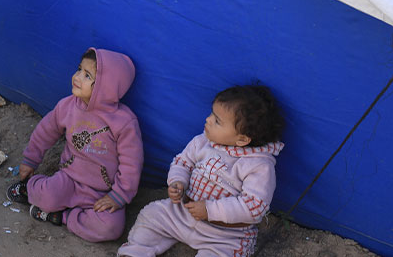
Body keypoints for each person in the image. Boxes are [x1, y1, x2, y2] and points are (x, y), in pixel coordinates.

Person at [118, 85, 285, 257]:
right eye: (212, 113)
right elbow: (183, 162)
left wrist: (210, 210)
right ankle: (135, 252)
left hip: (225, 235)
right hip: (182, 213)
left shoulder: (259, 165)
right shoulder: (202, 141)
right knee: (151, 214)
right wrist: (177, 181)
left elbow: (254, 207)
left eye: (217, 121)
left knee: (227, 252)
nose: (208, 119)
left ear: (242, 139)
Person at [5, 48, 143, 242]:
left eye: (87, 75)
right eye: (79, 69)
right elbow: (45, 131)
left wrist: (119, 195)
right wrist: (30, 160)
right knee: (48, 196)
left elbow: (132, 164)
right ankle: (29, 187)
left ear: (107, 86)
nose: (77, 76)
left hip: (102, 193)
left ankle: (61, 217)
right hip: (69, 180)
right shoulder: (68, 106)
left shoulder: (124, 122)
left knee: (110, 228)